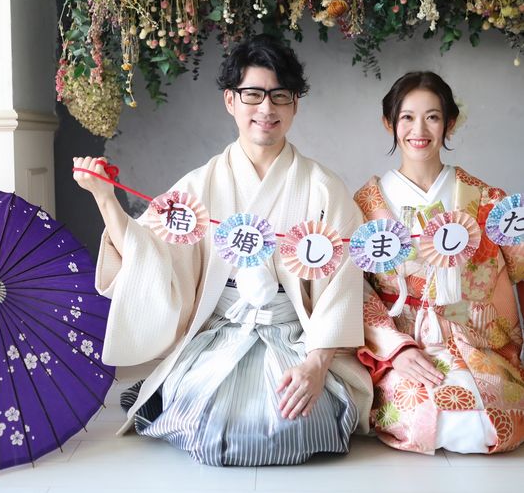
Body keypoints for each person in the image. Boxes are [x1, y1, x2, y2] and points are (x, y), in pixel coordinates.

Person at [73, 35, 372, 466]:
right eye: (253, 94)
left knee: (296, 424)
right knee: (211, 429)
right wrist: (105, 199)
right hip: (222, 332)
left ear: (295, 105)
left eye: (280, 96)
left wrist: (316, 365)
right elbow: (148, 253)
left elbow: (342, 284)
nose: (266, 108)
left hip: (296, 338)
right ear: (230, 101)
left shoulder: (323, 188)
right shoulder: (201, 184)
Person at [354, 71, 524, 455]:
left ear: (450, 123)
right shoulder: (365, 205)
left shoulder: (484, 199)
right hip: (404, 345)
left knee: (489, 419)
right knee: (426, 413)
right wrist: (395, 349)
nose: (419, 130)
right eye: (407, 117)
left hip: (473, 339)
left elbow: (518, 270)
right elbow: (356, 289)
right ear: (389, 123)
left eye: (432, 117)